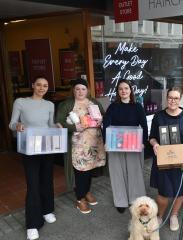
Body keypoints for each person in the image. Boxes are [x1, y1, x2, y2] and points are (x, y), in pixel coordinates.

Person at [9, 76, 57, 240]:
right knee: (33, 184)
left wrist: (56, 126)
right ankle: (32, 224)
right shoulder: (20, 102)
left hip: (47, 146)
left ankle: (47, 210)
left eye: (45, 86)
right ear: (33, 86)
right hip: (29, 148)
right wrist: (18, 126)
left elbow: (50, 125)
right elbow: (12, 123)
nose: (42, 88)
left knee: (47, 180)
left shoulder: (50, 105)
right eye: (39, 85)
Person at [56, 78, 106, 214]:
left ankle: (86, 191)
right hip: (78, 145)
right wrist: (74, 126)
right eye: (77, 89)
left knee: (89, 169)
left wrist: (102, 119)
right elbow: (58, 122)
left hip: (94, 143)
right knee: (80, 171)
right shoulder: (67, 104)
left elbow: (104, 116)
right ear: (73, 90)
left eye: (83, 89)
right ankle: (80, 198)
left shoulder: (94, 102)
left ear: (87, 90)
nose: (80, 91)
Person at [149, 87, 183, 232]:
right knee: (163, 193)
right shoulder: (159, 116)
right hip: (163, 159)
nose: (173, 101)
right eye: (170, 98)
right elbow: (152, 137)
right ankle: (159, 215)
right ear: (166, 98)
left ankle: (174, 215)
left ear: (180, 99)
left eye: (176, 98)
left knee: (180, 191)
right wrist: (155, 144)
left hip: (182, 159)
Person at [102, 79, 148, 214]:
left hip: (134, 143)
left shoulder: (138, 106)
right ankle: (120, 201)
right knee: (117, 172)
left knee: (135, 172)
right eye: (121, 89)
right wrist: (106, 142)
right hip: (116, 143)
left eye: (126, 88)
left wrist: (143, 142)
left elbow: (144, 126)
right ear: (118, 91)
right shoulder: (112, 107)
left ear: (131, 90)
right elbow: (106, 125)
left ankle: (136, 199)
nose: (123, 91)